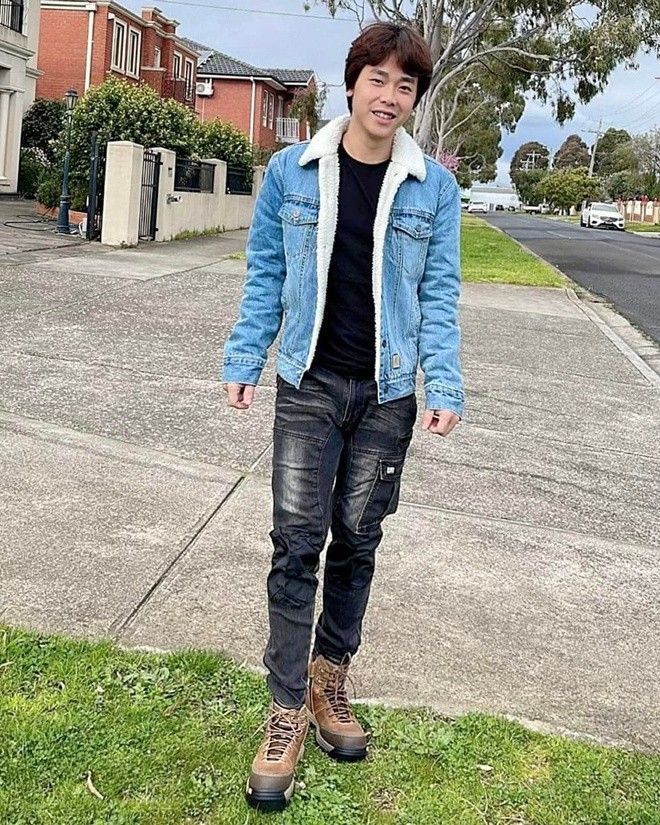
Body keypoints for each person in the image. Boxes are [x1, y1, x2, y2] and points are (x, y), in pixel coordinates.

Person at [222, 20, 464, 812]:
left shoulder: (434, 189)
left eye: (405, 85)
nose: (389, 96)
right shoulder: (291, 171)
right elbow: (265, 272)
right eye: (378, 79)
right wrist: (244, 356)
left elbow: (439, 293)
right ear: (352, 81)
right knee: (297, 544)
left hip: (387, 393)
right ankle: (285, 709)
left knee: (358, 540)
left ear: (414, 98)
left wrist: (444, 381)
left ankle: (330, 680)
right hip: (310, 383)